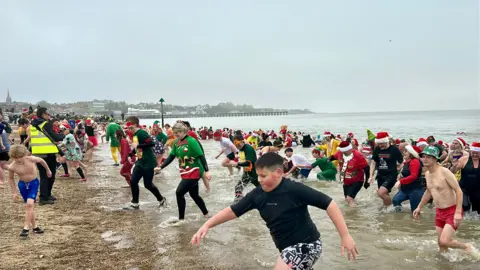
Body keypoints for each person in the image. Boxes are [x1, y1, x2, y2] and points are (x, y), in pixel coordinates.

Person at [191, 152, 358, 269]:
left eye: (263, 176)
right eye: (258, 175)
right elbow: (232, 211)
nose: (259, 180)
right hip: (286, 249)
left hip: (308, 245)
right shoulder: (257, 195)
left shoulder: (294, 189)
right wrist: (207, 225)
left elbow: (329, 204)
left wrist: (345, 236)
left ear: (278, 173)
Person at [413, 146, 473, 253]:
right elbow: (428, 191)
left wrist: (458, 212)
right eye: (423, 156)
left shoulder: (445, 172)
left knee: (444, 241)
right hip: (439, 212)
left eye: (428, 157)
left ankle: (466, 246)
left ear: (435, 159)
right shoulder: (427, 174)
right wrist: (419, 207)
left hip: (452, 210)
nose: (424, 159)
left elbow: (458, 191)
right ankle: (445, 263)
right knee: (441, 244)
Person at [157, 122, 210, 220]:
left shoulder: (192, 141)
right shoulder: (176, 143)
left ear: (183, 131)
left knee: (179, 192)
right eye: (174, 133)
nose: (176, 134)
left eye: (178, 132)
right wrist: (161, 167)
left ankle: (181, 219)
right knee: (194, 195)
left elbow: (201, 156)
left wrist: (206, 171)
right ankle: (206, 214)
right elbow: (171, 156)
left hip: (194, 171)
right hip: (185, 172)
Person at [123, 116, 166, 210]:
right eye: (128, 127)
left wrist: (137, 145)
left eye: (131, 127)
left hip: (148, 162)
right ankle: (135, 203)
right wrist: (131, 154)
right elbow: (138, 148)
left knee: (148, 184)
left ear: (135, 124)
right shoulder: (134, 134)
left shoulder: (141, 133)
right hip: (140, 161)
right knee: (133, 181)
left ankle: (161, 199)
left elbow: (151, 143)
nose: (129, 129)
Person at [7, 145, 50, 237]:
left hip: (33, 183)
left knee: (29, 204)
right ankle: (35, 227)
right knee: (30, 207)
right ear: (13, 157)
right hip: (22, 185)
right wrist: (14, 192)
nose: (19, 159)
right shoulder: (12, 166)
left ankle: (26, 228)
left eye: (21, 156)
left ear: (24, 154)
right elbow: (10, 179)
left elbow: (42, 161)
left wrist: (48, 170)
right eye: (16, 157)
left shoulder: (31, 159)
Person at [30, 107, 65, 205]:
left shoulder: (33, 124)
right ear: (43, 114)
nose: (49, 116)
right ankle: (44, 198)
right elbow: (55, 137)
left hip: (38, 153)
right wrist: (63, 134)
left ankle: (47, 195)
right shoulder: (45, 124)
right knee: (49, 175)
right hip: (47, 153)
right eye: (47, 114)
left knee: (45, 175)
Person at [368, 132, 403, 209]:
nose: (380, 145)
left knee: (380, 193)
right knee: (385, 194)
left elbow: (402, 162)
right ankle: (387, 209)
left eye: (382, 143)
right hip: (380, 175)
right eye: (379, 143)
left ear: (387, 141)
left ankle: (391, 208)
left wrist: (399, 172)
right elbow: (373, 162)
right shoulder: (377, 149)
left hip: (391, 175)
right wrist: (371, 176)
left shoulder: (394, 149)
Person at [392, 144, 424, 212]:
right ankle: (400, 218)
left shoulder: (415, 161)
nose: (404, 152)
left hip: (415, 190)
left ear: (411, 153)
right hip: (405, 189)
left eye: (406, 151)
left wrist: (400, 181)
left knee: (414, 211)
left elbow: (413, 176)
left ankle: (415, 222)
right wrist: (399, 176)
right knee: (395, 201)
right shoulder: (406, 162)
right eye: (404, 151)